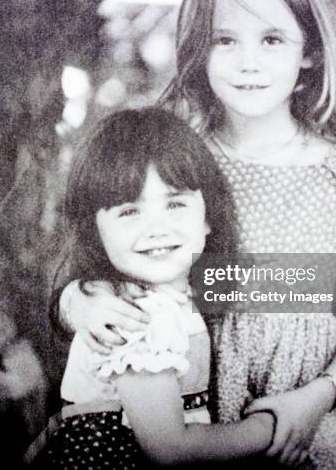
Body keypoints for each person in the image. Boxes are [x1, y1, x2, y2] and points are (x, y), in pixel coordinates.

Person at [58, 0, 336, 469]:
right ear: (198, 49)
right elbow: (90, 261)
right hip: (196, 412)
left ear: (309, 51)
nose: (248, 62)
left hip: (314, 417)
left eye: (272, 39)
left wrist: (317, 397)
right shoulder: (175, 163)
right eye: (224, 40)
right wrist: (79, 304)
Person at [35, 107, 277, 469]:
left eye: (175, 203)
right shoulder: (138, 317)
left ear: (208, 216)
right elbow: (169, 446)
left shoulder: (183, 298)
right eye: (130, 212)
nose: (156, 228)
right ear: (94, 232)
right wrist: (266, 429)